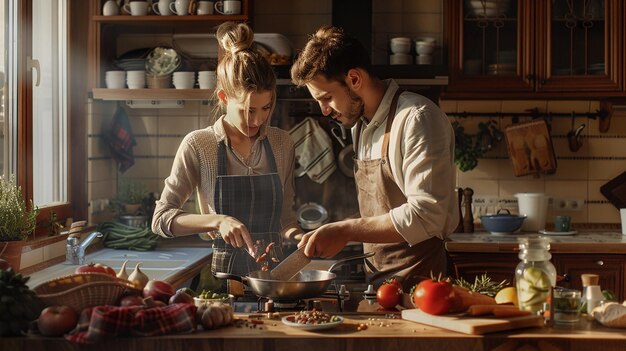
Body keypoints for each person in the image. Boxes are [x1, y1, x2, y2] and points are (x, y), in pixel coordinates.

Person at [290, 26, 459, 291]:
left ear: (354, 79)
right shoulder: (360, 126)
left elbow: (427, 216)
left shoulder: (417, 118)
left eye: (327, 98)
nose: (324, 111)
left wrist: (345, 230)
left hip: (424, 286)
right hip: (379, 283)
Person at [152, 22, 302, 291]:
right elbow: (161, 220)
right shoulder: (200, 145)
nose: (256, 120)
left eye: (265, 108)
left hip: (273, 279)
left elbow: (285, 218)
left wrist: (300, 236)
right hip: (224, 282)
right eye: (247, 110)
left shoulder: (281, 143)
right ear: (223, 97)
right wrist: (218, 221)